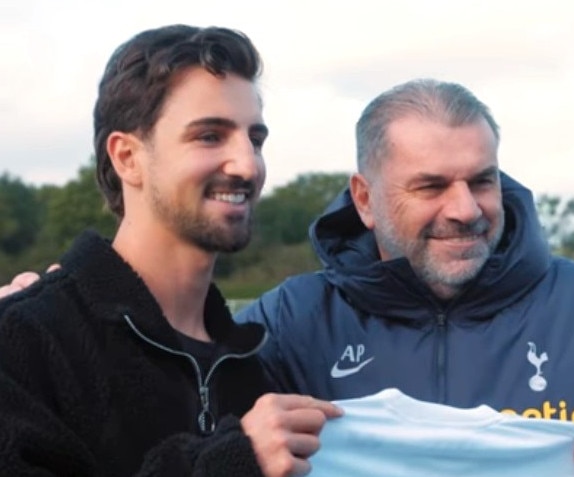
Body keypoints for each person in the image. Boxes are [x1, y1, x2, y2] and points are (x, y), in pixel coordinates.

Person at [234, 79, 574, 474]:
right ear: (364, 199)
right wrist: (237, 452)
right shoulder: (286, 324)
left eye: (482, 181)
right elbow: (186, 446)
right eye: (431, 187)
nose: (465, 209)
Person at [0, 24, 340, 477]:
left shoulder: (253, 371)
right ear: (126, 158)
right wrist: (228, 462)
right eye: (209, 136)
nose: (248, 165)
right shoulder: (26, 342)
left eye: (255, 139)